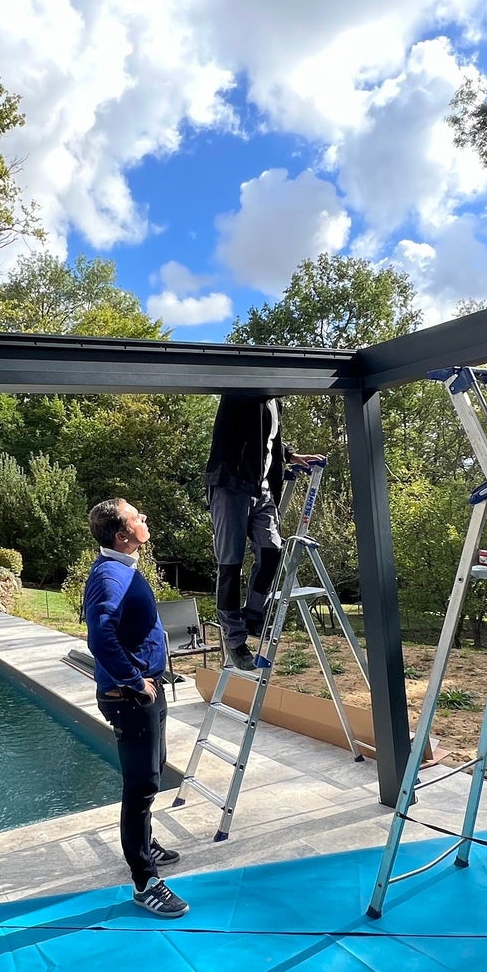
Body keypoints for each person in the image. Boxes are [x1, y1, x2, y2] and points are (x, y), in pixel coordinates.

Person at [83, 498, 189, 918]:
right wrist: (133, 680)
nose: (145, 518)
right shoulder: (110, 576)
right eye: (137, 517)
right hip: (130, 697)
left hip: (145, 691)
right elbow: (100, 637)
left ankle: (144, 843)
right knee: (141, 785)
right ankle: (145, 881)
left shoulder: (123, 566)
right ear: (122, 535)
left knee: (154, 772)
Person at [204, 393, 319, 671]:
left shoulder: (275, 402)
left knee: (272, 550)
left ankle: (254, 613)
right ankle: (234, 639)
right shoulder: (242, 395)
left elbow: (267, 441)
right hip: (231, 482)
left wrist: (290, 455)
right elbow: (243, 432)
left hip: (263, 488)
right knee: (230, 562)